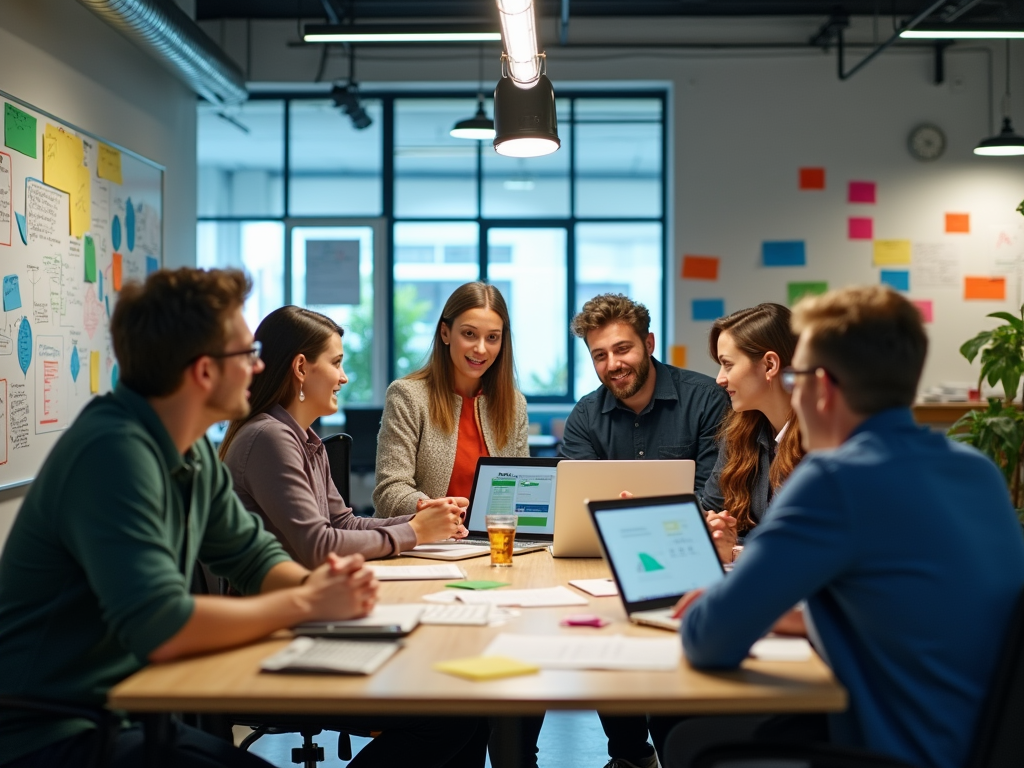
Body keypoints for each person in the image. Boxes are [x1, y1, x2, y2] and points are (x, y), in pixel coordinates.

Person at [0, 269, 485, 768]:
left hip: (128, 712)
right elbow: (161, 624)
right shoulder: (114, 452)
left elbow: (255, 558)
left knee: (459, 713)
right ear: (203, 371)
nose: (258, 369)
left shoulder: (190, 453)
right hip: (56, 731)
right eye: (246, 355)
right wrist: (304, 602)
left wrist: (320, 595)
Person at [677, 286, 1024, 768]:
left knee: (687, 738)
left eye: (798, 376)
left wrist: (713, 606)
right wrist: (798, 617)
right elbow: (907, 605)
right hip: (976, 743)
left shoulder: (833, 479)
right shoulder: (976, 471)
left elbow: (707, 640)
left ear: (822, 385)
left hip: (894, 750)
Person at [561, 293, 729, 768]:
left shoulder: (705, 400)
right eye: (599, 355)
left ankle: (672, 750)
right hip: (608, 562)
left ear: (649, 343)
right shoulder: (585, 417)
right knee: (603, 634)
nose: (613, 364)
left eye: (623, 349)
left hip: (689, 557)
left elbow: (713, 495)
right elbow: (579, 509)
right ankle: (631, 757)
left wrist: (645, 523)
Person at [221, 305, 466, 567]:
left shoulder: (305, 440)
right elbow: (320, 545)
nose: (344, 377)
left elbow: (343, 524)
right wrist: (416, 531)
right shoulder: (269, 437)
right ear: (301, 368)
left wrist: (425, 520)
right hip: (274, 604)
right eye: (336, 363)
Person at [374, 281, 529, 520]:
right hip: (425, 543)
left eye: (492, 337)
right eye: (469, 334)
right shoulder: (408, 396)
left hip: (494, 541)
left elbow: (522, 489)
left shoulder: (514, 404)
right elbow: (389, 491)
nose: (480, 348)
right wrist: (437, 511)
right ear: (445, 332)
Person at [700, 303, 806, 561]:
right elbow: (711, 509)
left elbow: (805, 548)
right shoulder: (739, 432)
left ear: (770, 365)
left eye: (727, 365)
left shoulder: (822, 439)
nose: (719, 379)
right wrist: (713, 529)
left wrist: (734, 551)